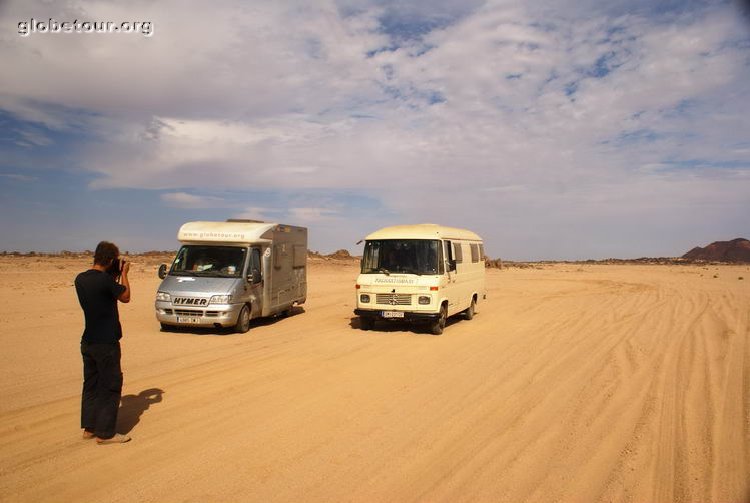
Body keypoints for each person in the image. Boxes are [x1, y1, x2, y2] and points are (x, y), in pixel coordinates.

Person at [74, 241, 131, 444]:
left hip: (88, 340)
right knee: (110, 386)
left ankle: (89, 428)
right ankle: (106, 434)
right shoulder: (106, 281)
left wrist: (112, 274)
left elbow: (103, 294)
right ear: (109, 260)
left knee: (91, 385)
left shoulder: (80, 279)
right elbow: (125, 296)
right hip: (106, 343)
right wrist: (124, 273)